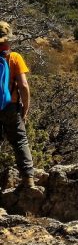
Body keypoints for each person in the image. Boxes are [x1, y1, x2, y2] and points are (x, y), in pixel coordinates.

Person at [0, 22, 35, 189]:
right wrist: (25, 108)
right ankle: (28, 180)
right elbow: (24, 85)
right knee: (20, 141)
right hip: (11, 106)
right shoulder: (14, 57)